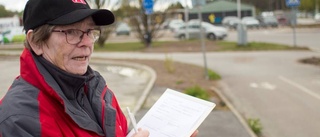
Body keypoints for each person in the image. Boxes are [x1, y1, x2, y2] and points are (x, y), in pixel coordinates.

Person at [0, 0, 200, 137]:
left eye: (89, 31)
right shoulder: (18, 119)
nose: (87, 41)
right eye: (72, 31)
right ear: (36, 42)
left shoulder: (99, 91)